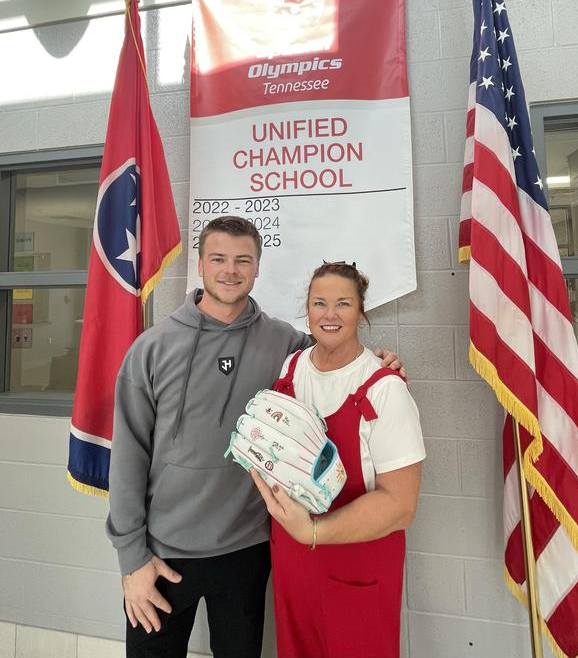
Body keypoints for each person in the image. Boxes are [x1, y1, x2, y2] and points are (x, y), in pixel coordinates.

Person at [106, 216, 404, 658]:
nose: (230, 270)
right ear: (200, 265)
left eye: (243, 260)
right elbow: (127, 458)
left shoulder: (285, 343)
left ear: (258, 267)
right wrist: (132, 559)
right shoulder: (151, 348)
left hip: (246, 550)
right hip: (162, 554)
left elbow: (335, 354)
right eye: (218, 259)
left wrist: (379, 363)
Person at [252, 261, 425, 658]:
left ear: (361, 311)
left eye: (343, 303)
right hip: (293, 562)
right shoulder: (291, 368)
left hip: (357, 565)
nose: (329, 314)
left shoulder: (384, 389)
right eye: (319, 303)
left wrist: (313, 531)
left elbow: (401, 506)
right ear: (307, 309)